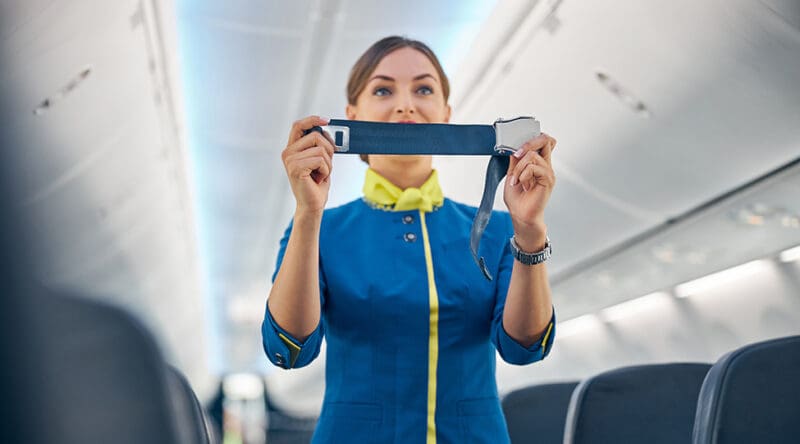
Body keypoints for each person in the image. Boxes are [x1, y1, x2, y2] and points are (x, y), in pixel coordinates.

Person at [262, 36, 558, 444]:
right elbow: (290, 348)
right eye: (383, 90)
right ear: (352, 114)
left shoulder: (499, 230)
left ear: (446, 113)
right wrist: (308, 214)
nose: (405, 104)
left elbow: (524, 347)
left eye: (423, 89)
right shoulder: (321, 231)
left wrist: (530, 232)